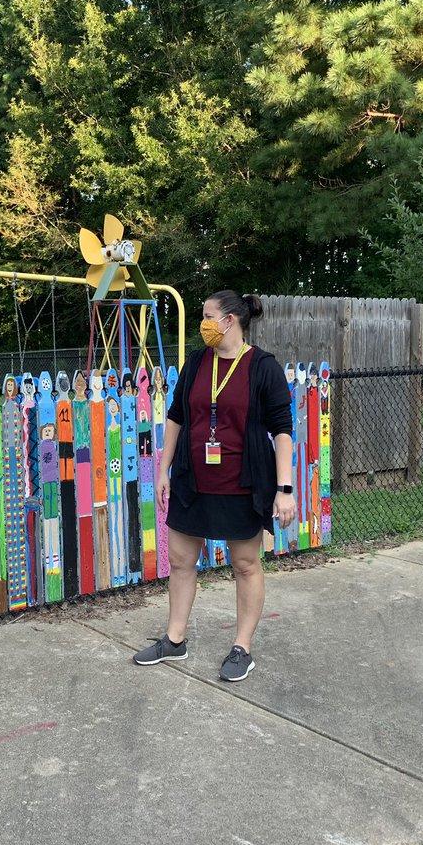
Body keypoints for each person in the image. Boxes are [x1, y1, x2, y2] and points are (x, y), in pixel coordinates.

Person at [134, 291, 296, 681]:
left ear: (229, 321)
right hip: (194, 481)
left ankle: (243, 647)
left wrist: (285, 488)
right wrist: (163, 470)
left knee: (244, 564)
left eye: (208, 316)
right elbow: (175, 416)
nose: (202, 324)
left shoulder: (263, 367)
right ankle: (175, 639)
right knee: (180, 560)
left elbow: (283, 430)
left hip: (242, 484)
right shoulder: (196, 362)